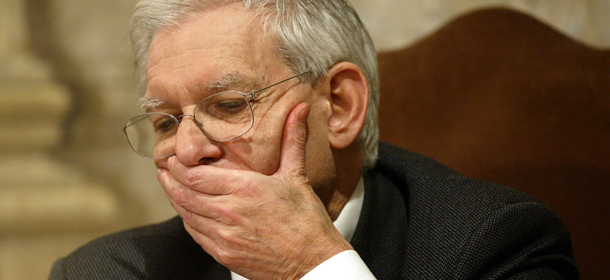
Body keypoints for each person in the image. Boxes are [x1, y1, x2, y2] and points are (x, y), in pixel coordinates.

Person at [49, 0, 579, 279]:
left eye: (230, 106)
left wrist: (312, 269)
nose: (188, 152)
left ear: (341, 107)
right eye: (165, 121)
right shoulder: (106, 272)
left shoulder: (492, 245)